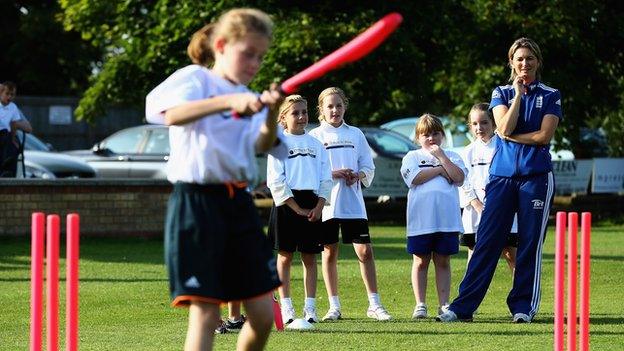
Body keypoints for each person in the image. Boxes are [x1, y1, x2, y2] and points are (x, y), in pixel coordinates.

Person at [145, 8, 284, 351]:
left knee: (264, 315)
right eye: (247, 53)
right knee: (206, 313)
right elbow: (170, 115)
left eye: (260, 57)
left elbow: (262, 145)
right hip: (197, 203)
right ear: (221, 45)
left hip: (239, 203)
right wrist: (228, 100)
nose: (254, 63)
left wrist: (267, 115)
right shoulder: (196, 79)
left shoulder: (250, 97)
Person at [437, 38, 561, 323]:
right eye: (519, 59)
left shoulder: (551, 94)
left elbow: (543, 137)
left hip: (536, 178)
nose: (524, 64)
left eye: (530, 58)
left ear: (537, 62)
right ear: (511, 63)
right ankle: (462, 307)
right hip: (502, 177)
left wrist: (514, 137)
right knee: (487, 242)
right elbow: (502, 126)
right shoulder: (501, 93)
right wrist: (517, 95)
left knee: (529, 244)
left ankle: (522, 307)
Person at [309, 87, 392, 322]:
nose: (335, 110)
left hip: (353, 203)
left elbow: (368, 166)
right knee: (329, 252)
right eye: (330, 106)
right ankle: (333, 307)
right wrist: (334, 173)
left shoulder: (356, 134)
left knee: (365, 251)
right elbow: (312, 171)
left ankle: (374, 305)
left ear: (345, 106)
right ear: (321, 110)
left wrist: (359, 175)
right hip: (326, 203)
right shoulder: (315, 137)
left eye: (339, 105)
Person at [266, 95, 332, 324]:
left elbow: (325, 177)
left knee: (310, 257)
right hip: (287, 204)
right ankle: (287, 308)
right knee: (284, 256)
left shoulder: (316, 144)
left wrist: (319, 205)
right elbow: (276, 181)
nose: (302, 117)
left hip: (312, 204)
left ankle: (310, 308)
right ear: (284, 117)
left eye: (304, 112)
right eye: (295, 113)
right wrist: (296, 208)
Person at [400, 114, 466, 319]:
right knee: (420, 261)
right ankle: (420, 304)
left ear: (442, 135)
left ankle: (444, 304)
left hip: (447, 221)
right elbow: (415, 178)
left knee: (443, 261)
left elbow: (458, 177)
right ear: (418, 137)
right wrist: (440, 169)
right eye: (426, 134)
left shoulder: (453, 156)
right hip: (421, 221)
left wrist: (443, 159)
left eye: (435, 133)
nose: (431, 138)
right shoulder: (411, 156)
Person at [459, 103, 517, 274]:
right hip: (476, 213)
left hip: (503, 210)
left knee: (510, 253)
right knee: (475, 255)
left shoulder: (505, 147)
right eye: (475, 124)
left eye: (484, 122)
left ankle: (521, 298)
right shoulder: (467, 152)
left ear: (493, 122)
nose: (479, 128)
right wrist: (476, 204)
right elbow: (463, 181)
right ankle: (468, 298)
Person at [0, 81, 32, 177]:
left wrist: (13, 138)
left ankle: (6, 171)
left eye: (12, 95)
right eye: (7, 94)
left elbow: (17, 125)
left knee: (7, 137)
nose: (9, 97)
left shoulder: (13, 107)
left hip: (6, 136)